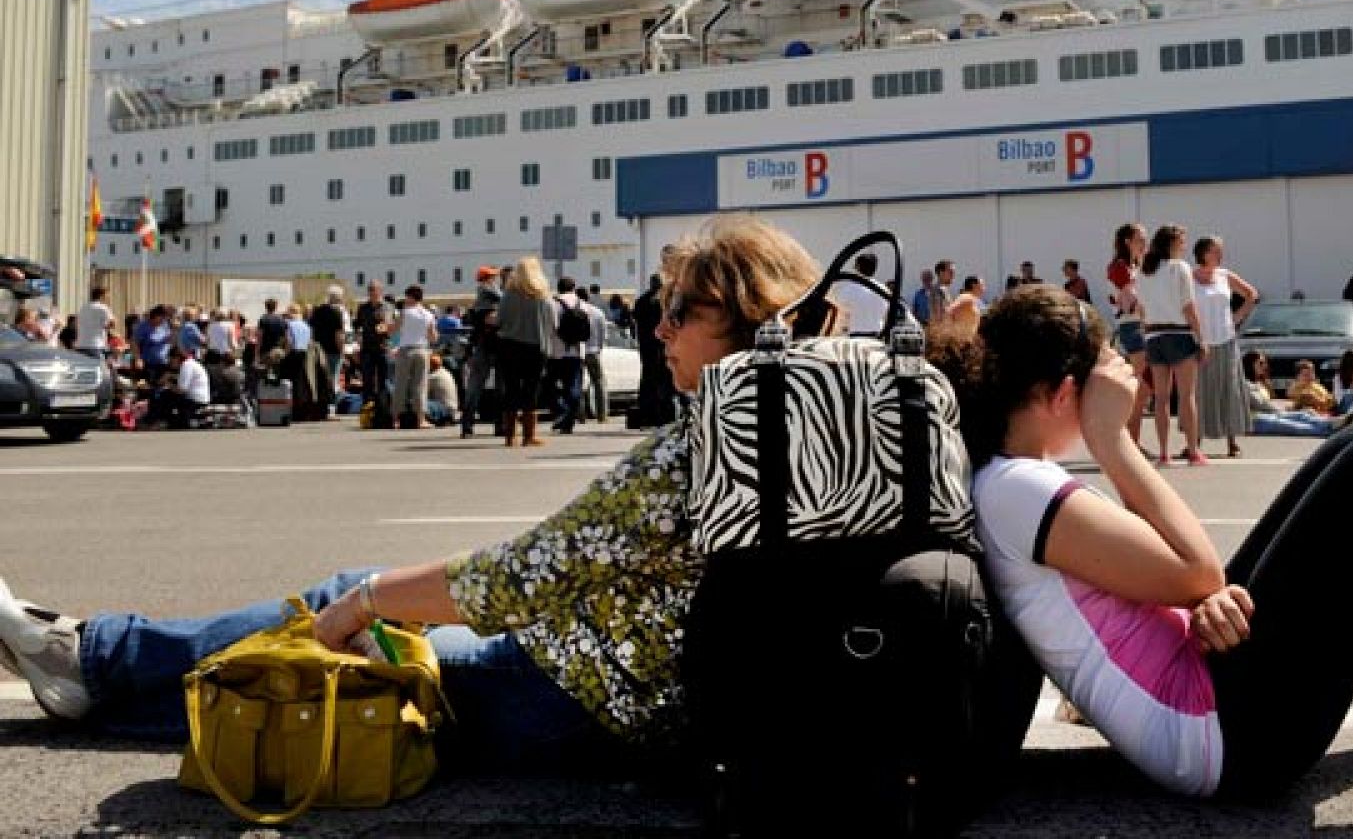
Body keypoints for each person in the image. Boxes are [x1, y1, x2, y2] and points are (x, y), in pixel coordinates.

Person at [0, 215, 822, 785]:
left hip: (581, 702)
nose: (660, 328)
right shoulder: (820, 422)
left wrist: (363, 601)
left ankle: (93, 658)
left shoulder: (703, 442)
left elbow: (518, 581)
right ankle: (102, 676)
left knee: (343, 610)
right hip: (665, 696)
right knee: (368, 616)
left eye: (682, 311)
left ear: (753, 318)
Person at [929, 285, 1353, 830]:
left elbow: (1169, 584)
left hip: (1208, 689)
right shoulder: (1020, 489)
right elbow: (1196, 570)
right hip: (1226, 739)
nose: (1127, 385)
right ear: (1060, 394)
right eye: (1109, 374)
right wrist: (1114, 442)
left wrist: (1201, 601)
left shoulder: (1011, 483)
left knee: (1351, 455)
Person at [1136, 224, 1206, 466]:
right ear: (1173, 243)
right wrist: (1201, 338)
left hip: (1154, 335)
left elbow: (1141, 309)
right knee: (1187, 395)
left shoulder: (1143, 271)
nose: (1185, 246)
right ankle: (1193, 450)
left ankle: (1164, 451)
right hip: (1179, 333)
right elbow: (1189, 307)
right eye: (1182, 241)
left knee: (1161, 397)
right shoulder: (1179, 268)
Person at [1192, 235, 1258, 459]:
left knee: (1229, 389)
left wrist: (1236, 317)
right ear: (1203, 252)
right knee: (1199, 391)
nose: (1220, 255)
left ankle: (1232, 441)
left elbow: (1251, 294)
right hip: (1200, 340)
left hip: (1226, 338)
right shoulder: (1189, 277)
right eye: (1215, 250)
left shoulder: (1225, 276)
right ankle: (1194, 441)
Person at [496, 258, 554, 447]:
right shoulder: (543, 296)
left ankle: (510, 436)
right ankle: (529, 436)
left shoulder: (508, 295)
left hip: (508, 346)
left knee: (510, 389)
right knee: (531, 390)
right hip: (535, 347)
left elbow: (500, 321)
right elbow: (553, 323)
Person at [1106, 223, 1152, 444]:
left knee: (1143, 387)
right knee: (1140, 385)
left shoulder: (1138, 266)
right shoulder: (1120, 267)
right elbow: (1127, 302)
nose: (1145, 243)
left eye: (1145, 239)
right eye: (1140, 239)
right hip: (1132, 325)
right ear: (1127, 242)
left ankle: (1133, 440)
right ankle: (1129, 441)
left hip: (1144, 325)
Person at [1242, 351, 1353, 438]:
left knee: (1302, 415)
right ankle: (1332, 430)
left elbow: (1270, 403)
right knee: (1294, 426)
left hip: (1271, 414)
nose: (1264, 366)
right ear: (1250, 365)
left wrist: (1288, 407)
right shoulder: (1245, 385)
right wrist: (1286, 409)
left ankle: (1332, 423)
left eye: (1264, 363)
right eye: (1260, 363)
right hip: (1256, 420)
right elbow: (1261, 405)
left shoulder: (1260, 384)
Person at [460, 266, 503, 438]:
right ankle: (500, 425)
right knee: (499, 388)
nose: (496, 280)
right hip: (493, 346)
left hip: (482, 346)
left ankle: (467, 425)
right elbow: (503, 299)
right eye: (493, 277)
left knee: (475, 387)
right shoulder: (489, 292)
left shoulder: (480, 299)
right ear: (487, 278)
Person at [390, 286, 437, 429]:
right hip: (422, 350)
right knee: (420, 385)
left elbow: (394, 329)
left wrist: (385, 327)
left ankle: (396, 419)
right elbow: (433, 336)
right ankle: (421, 419)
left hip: (406, 350)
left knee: (400, 384)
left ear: (411, 297)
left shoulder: (405, 312)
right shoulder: (428, 314)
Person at [632, 270, 673, 428]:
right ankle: (664, 416)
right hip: (663, 346)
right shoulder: (666, 301)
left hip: (646, 348)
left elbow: (635, 321)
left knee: (648, 381)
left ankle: (647, 416)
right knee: (665, 382)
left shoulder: (641, 301)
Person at [548, 277, 587, 435]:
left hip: (556, 352)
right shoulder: (583, 304)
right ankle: (568, 421)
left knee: (550, 386)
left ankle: (562, 412)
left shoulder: (553, 304)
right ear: (574, 287)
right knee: (573, 387)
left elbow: (550, 327)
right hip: (576, 352)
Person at [353, 280, 394, 410]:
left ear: (380, 291)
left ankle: (383, 408)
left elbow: (391, 325)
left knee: (384, 381)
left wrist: (386, 327)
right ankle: (367, 409)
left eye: (374, 289)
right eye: (369, 289)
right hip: (367, 349)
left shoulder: (388, 307)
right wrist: (357, 344)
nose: (371, 292)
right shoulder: (363, 308)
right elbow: (357, 326)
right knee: (367, 381)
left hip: (383, 347)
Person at [148, 346, 209, 429]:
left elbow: (181, 390)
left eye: (171, 360)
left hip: (195, 400)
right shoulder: (190, 364)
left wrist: (167, 383)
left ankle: (159, 421)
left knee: (165, 396)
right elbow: (185, 379)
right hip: (198, 398)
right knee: (167, 395)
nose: (170, 363)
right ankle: (162, 420)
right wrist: (170, 376)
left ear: (176, 358)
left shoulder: (186, 366)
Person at [309, 289, 350, 409]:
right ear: (338, 298)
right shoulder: (337, 313)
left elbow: (311, 331)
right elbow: (339, 335)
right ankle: (331, 407)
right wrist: (342, 352)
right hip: (333, 351)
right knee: (333, 379)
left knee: (319, 379)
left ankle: (319, 406)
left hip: (319, 351)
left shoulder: (317, 311)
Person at [831, 251, 889, 336]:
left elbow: (838, 309)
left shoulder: (850, 289)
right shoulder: (883, 289)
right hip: (877, 337)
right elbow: (887, 314)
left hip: (856, 338)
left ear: (858, 267)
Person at [576, 285, 610, 425]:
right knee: (599, 383)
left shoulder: (575, 311)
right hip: (594, 351)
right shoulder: (598, 312)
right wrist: (599, 349)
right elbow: (604, 335)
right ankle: (602, 416)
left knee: (578, 384)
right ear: (588, 297)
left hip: (578, 352)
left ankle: (580, 415)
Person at [74, 285, 116, 363]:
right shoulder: (103, 308)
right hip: (95, 346)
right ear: (101, 296)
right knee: (98, 372)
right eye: (107, 295)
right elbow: (113, 323)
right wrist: (106, 327)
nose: (109, 298)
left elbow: (78, 323)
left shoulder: (83, 308)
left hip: (80, 345)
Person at [425, 353, 459, 426]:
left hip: (444, 409)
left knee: (418, 403)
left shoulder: (433, 377)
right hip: (451, 409)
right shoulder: (445, 372)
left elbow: (421, 394)